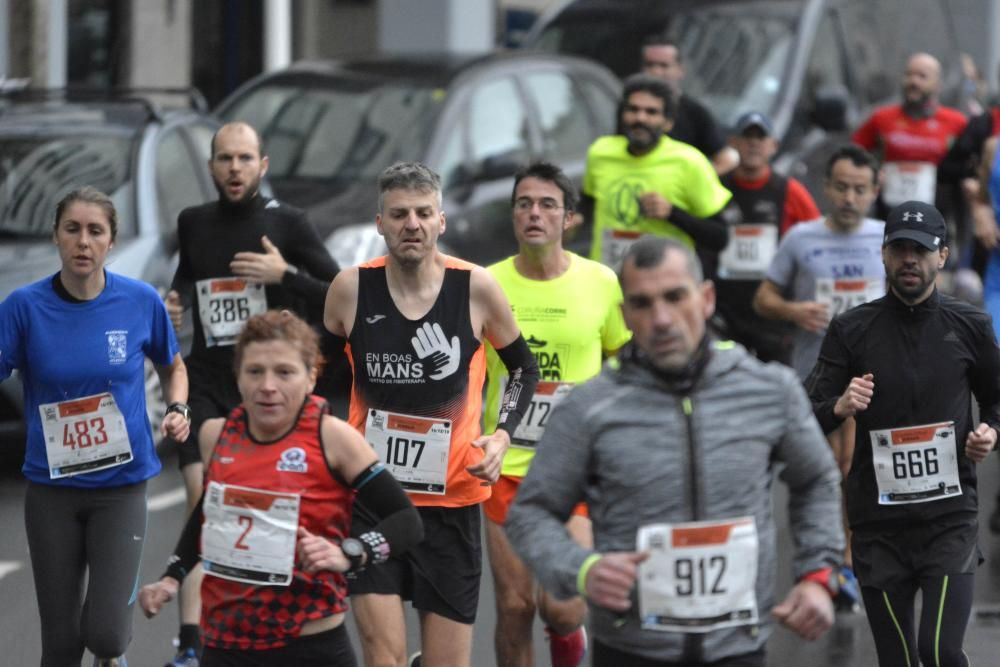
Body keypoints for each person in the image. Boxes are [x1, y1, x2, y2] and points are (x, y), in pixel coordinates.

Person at [506, 236, 843, 666]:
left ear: (705, 299)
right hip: (632, 650)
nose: (661, 318)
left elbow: (816, 478)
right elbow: (530, 513)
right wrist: (583, 570)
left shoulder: (768, 390)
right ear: (625, 315)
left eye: (675, 297)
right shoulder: (591, 408)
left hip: (737, 648)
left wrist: (818, 574)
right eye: (643, 304)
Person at [323, 161, 539, 667]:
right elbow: (319, 384)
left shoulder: (476, 288)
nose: (411, 225)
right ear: (380, 223)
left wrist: (503, 436)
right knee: (383, 659)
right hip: (373, 499)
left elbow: (524, 370)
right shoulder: (350, 289)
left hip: (452, 504)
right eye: (399, 214)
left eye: (423, 213)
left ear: (441, 221)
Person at [139, 310, 423, 666]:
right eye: (255, 371)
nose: (268, 386)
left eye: (285, 372)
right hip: (226, 646)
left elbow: (406, 520)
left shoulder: (333, 438)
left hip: (310, 647)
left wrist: (350, 552)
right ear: (238, 377)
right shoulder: (216, 434)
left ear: (311, 377)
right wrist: (172, 576)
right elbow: (210, 515)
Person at [164, 120, 341, 666]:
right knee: (206, 499)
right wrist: (172, 305)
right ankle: (192, 644)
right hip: (207, 381)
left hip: (263, 388)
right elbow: (185, 282)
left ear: (263, 165)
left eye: (245, 159)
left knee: (260, 507)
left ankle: (264, 617)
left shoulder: (288, 223)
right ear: (212, 166)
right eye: (224, 159)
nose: (234, 169)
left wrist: (282, 271)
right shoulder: (193, 222)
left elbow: (339, 295)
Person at [0, 186, 191, 666]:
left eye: (95, 231)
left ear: (111, 240)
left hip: (120, 488)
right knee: (61, 647)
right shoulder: (23, 308)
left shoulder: (139, 301)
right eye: (72, 230)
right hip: (52, 491)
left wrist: (178, 408)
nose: (83, 241)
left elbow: (173, 365)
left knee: (106, 637)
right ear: (57, 237)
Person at [806, 200, 1000, 666]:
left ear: (942, 256)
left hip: (948, 519)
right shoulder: (852, 329)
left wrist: (989, 432)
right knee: (897, 660)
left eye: (920, 249)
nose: (909, 259)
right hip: (879, 526)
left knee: (939, 652)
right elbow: (805, 414)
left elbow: (996, 399)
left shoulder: (969, 325)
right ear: (884, 255)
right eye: (899, 249)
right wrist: (839, 405)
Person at [482, 162, 632, 667]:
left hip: (574, 468)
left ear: (570, 218)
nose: (534, 213)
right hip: (504, 466)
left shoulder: (601, 282)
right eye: (523, 203)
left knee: (564, 606)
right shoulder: (487, 284)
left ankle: (569, 645)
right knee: (515, 605)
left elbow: (623, 361)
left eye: (548, 204)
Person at [753, 145, 884, 582]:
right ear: (826, 187)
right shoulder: (801, 238)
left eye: (859, 189)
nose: (849, 197)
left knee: (856, 466)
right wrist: (795, 311)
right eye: (842, 187)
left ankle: (847, 552)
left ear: (874, 191)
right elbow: (763, 299)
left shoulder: (886, 238)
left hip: (873, 377)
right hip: (817, 373)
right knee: (825, 467)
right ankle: (827, 554)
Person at [581, 73, 731, 271]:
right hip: (607, 281)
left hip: (662, 286)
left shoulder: (688, 162)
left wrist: (672, 213)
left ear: (668, 122)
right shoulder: (600, 152)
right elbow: (586, 207)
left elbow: (720, 237)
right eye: (633, 109)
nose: (640, 118)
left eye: (651, 112)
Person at [714, 111, 820, 364]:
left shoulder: (789, 191)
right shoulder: (715, 188)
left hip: (774, 314)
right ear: (733, 143)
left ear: (773, 146)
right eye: (746, 136)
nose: (753, 144)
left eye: (760, 138)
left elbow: (818, 241)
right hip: (725, 311)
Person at [852, 52, 967, 215]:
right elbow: (854, 154)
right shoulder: (881, 117)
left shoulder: (957, 122)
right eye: (909, 75)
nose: (913, 81)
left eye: (922, 76)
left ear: (938, 84)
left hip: (937, 212)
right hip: (888, 210)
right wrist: (872, 172)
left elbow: (970, 165)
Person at [639, 37, 737, 175]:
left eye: (664, 65)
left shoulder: (695, 113)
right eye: (650, 65)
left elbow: (728, 159)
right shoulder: (626, 106)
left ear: (680, 70)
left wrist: (690, 186)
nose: (656, 72)